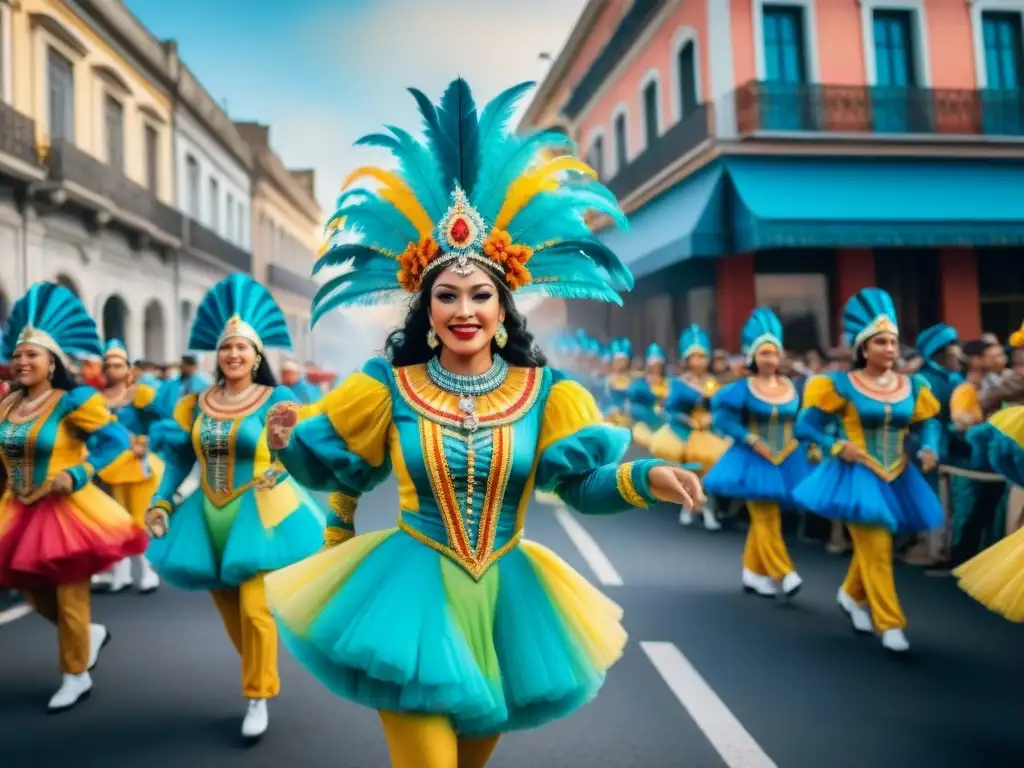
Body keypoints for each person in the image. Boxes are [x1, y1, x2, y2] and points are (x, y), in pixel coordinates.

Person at [261, 77, 703, 768]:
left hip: (506, 605)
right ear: (426, 310)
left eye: (480, 294)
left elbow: (581, 484)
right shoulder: (388, 385)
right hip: (409, 598)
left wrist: (650, 476)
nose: (464, 308)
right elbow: (334, 462)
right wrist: (287, 440)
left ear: (504, 311)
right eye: (447, 294)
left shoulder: (545, 392)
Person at [143, 274, 326, 741]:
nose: (234, 355)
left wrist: (281, 472)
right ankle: (257, 674)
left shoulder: (277, 401)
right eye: (227, 348)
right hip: (206, 518)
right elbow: (180, 460)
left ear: (258, 356)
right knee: (230, 612)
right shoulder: (194, 405)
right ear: (217, 356)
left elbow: (292, 455)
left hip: (261, 515)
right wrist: (162, 502)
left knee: (255, 610)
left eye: (243, 348)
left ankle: (257, 695)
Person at [0, 282, 148, 711]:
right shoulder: (7, 406)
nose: (22, 361)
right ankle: (90, 635)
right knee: (31, 591)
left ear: (52, 362)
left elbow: (114, 440)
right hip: (16, 508)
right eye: (18, 355)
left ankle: (74, 673)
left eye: (33, 355)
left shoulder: (72, 401)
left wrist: (76, 474)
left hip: (66, 511)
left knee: (69, 594)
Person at [793, 288, 942, 654]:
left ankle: (850, 594)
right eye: (880, 342)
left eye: (893, 342)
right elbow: (804, 426)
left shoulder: (913, 386)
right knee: (875, 544)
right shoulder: (840, 385)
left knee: (881, 545)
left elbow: (930, 423)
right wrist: (835, 446)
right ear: (863, 348)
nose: (890, 349)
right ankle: (890, 623)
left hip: (899, 474)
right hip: (857, 474)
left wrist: (929, 447)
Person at [702, 308, 810, 599]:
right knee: (765, 517)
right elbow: (724, 421)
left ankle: (752, 571)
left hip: (786, 459)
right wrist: (750, 438)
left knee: (768, 516)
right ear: (752, 356)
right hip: (753, 459)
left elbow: (799, 420)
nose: (770, 359)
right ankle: (784, 572)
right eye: (764, 353)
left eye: (774, 353)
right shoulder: (742, 389)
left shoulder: (791, 387)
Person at [92, 339, 164, 594]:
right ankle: (119, 573)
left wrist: (145, 443)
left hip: (138, 466)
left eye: (118, 364)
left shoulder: (141, 394)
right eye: (108, 365)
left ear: (128, 369)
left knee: (137, 521)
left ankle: (146, 572)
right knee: (114, 522)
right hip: (109, 468)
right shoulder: (96, 399)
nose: (112, 369)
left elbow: (163, 421)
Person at [649, 325, 730, 530]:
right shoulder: (678, 384)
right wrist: (688, 420)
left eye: (702, 357)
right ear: (687, 360)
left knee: (708, 474)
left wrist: (711, 418)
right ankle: (689, 506)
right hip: (684, 433)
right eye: (694, 357)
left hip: (709, 434)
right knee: (692, 474)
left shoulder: (713, 383)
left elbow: (722, 409)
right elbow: (669, 410)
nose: (699, 361)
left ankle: (708, 510)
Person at [626, 343, 668, 450]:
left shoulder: (668, 383)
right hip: (643, 423)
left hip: (663, 423)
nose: (655, 368)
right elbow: (633, 402)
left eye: (658, 365)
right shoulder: (640, 383)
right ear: (648, 365)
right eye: (652, 365)